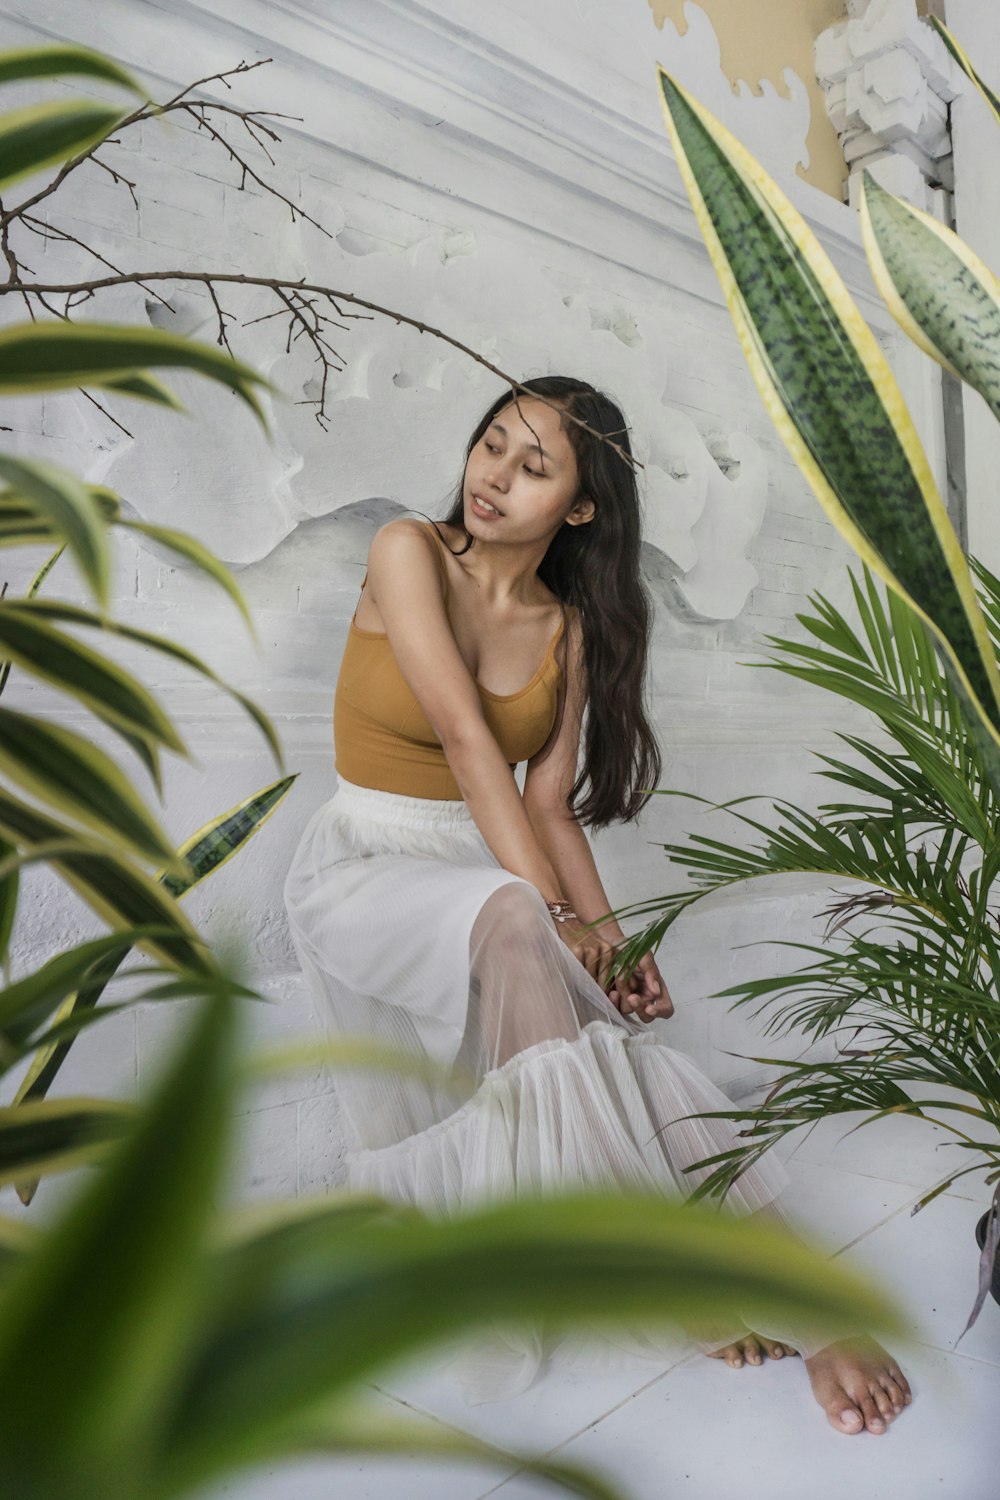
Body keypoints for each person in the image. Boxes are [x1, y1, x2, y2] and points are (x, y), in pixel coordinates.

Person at [283, 374, 911, 1432]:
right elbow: (469, 741)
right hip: (366, 866)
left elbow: (551, 809)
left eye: (534, 467)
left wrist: (618, 945)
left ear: (579, 506)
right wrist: (555, 917)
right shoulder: (407, 550)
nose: (495, 477)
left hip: (492, 874)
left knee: (615, 1041)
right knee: (519, 924)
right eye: (493, 445)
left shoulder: (567, 626)